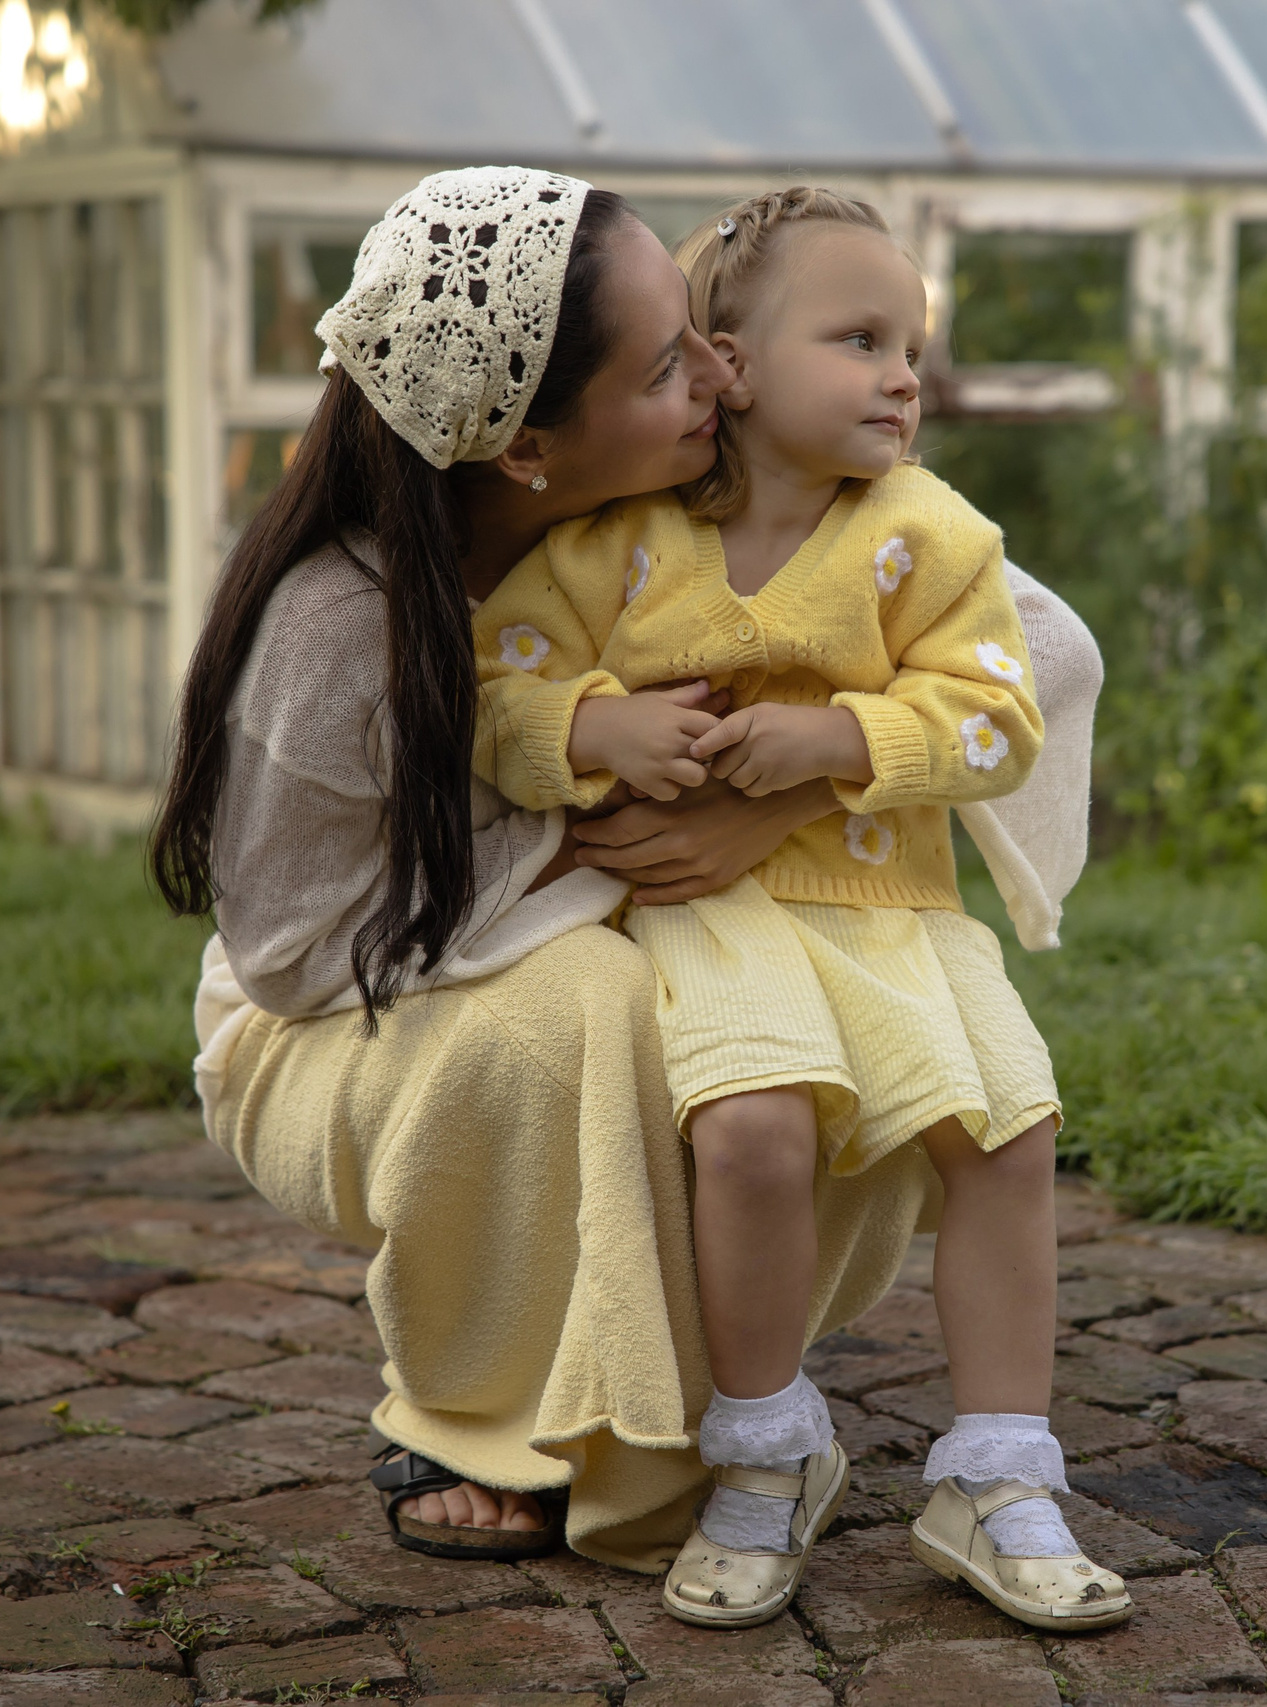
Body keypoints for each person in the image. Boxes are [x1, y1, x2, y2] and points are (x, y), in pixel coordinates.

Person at [152, 165, 1103, 1580]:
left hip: (593, 943)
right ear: (530, 445)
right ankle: (493, 1424)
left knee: (797, 1034)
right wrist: (612, 838)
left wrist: (775, 807)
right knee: (594, 1008)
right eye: (669, 367)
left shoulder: (700, 518)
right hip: (325, 1032)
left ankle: (718, 1411)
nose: (718, 380)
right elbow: (295, 957)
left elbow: (1048, 655)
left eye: (706, 336)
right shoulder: (340, 627)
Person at [470, 186, 1128, 1632]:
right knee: (755, 1129)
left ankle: (1001, 1476)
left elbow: (999, 720)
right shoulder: (622, 548)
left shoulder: (927, 538)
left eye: (913, 344)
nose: (904, 373)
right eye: (859, 337)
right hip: (723, 916)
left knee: (1010, 1135)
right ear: (731, 364)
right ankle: (766, 1455)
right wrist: (596, 730)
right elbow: (493, 684)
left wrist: (842, 743)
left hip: (896, 910)